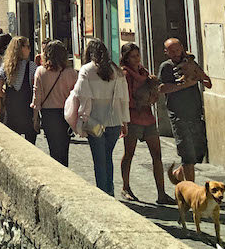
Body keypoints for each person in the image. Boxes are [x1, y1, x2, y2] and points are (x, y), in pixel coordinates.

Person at [69, 39, 129, 197]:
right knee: (108, 157)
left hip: (94, 121)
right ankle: (110, 190)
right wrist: (125, 121)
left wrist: (82, 118)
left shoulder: (86, 70)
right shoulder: (117, 71)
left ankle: (103, 192)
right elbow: (124, 99)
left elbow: (82, 96)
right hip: (114, 121)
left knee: (99, 160)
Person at [119, 43, 173, 205]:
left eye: (138, 55)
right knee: (129, 154)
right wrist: (125, 120)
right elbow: (125, 98)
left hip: (148, 118)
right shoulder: (125, 75)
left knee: (157, 155)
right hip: (133, 118)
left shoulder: (144, 72)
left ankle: (161, 193)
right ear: (126, 58)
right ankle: (125, 188)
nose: (137, 59)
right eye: (133, 56)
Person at [158, 37, 212, 183]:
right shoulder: (166, 67)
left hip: (195, 113)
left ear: (182, 48)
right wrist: (183, 85)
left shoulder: (191, 63)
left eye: (177, 49)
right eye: (171, 51)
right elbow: (161, 88)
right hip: (178, 115)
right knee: (187, 154)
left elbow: (207, 82)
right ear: (166, 52)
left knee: (198, 152)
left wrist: (199, 76)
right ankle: (191, 190)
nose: (175, 53)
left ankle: (178, 174)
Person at [32, 39, 78, 167]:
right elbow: (76, 96)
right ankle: (65, 171)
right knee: (64, 148)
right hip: (66, 114)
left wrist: (35, 118)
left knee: (53, 148)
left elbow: (37, 97)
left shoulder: (40, 72)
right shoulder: (71, 73)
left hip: (48, 114)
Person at [0, 36, 38, 142]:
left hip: (11, 113)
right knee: (30, 146)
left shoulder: (5, 67)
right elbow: (37, 88)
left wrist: (7, 95)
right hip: (27, 112)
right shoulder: (31, 66)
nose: (30, 49)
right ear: (21, 49)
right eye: (28, 46)